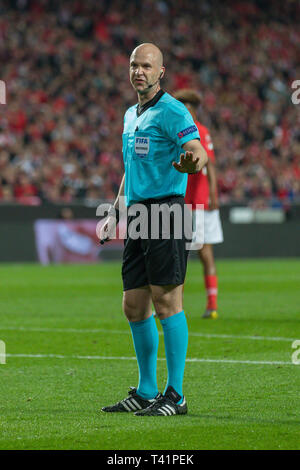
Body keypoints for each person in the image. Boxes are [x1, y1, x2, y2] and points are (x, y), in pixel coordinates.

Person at [99, 43, 207, 416]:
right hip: (138, 216)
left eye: (146, 65)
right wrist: (115, 210)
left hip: (167, 211)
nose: (138, 71)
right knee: (133, 305)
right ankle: (146, 390)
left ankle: (175, 395)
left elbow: (197, 150)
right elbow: (131, 167)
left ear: (161, 71)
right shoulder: (131, 115)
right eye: (133, 65)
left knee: (167, 303)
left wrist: (192, 163)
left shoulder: (174, 111)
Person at [173, 89, 223, 319]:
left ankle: (212, 305)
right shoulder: (177, 130)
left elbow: (210, 164)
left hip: (199, 202)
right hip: (181, 201)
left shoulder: (201, 131)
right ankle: (174, 306)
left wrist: (213, 193)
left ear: (191, 109)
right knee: (177, 255)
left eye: (184, 107)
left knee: (203, 252)